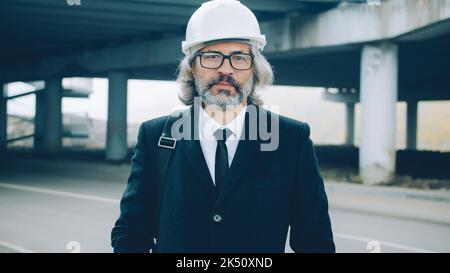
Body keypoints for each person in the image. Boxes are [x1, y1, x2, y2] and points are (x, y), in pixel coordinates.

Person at [111, 0, 335, 253]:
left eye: (239, 58)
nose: (226, 69)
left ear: (254, 69)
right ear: (193, 67)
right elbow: (131, 232)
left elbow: (316, 241)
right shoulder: (156, 138)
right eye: (212, 57)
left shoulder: (291, 139)